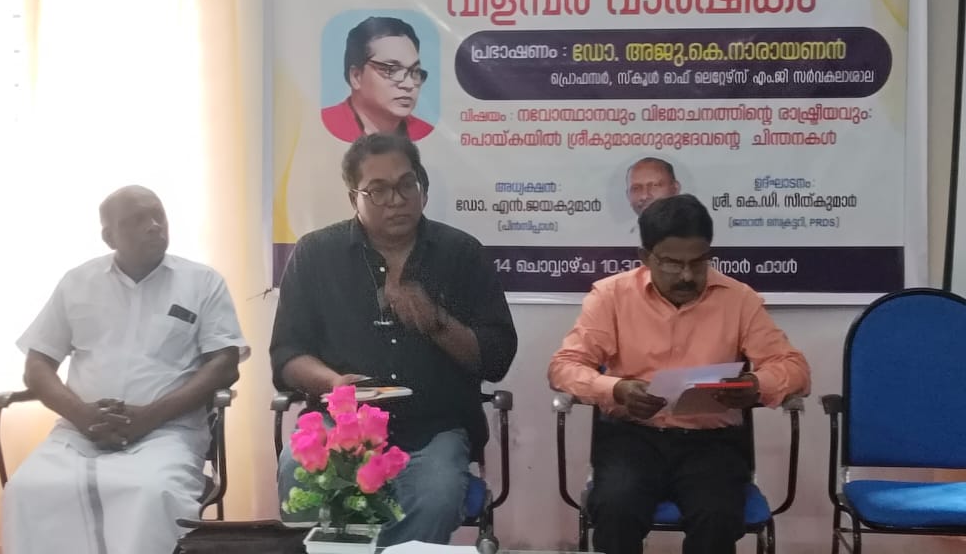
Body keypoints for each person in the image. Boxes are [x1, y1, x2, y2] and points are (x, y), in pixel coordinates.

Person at [271, 133, 517, 546]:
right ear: (354, 198)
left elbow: (496, 358)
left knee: (437, 494)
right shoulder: (316, 254)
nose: (397, 200)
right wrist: (334, 384)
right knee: (297, 472)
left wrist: (437, 323)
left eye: (407, 185)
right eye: (379, 190)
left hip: (435, 428)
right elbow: (287, 354)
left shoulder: (462, 254)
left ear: (423, 187)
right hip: (342, 425)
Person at [548, 194, 810, 554]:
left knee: (717, 517)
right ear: (645, 257)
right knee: (616, 509)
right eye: (672, 263)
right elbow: (563, 366)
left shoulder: (738, 299)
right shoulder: (611, 296)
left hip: (712, 445)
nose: (687, 275)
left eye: (698, 262)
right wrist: (616, 389)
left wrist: (756, 385)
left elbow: (795, 369)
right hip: (632, 439)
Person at [2, 185, 248, 554]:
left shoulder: (201, 282)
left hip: (167, 432)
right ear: (109, 236)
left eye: (158, 215)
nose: (154, 226)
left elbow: (225, 364)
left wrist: (149, 417)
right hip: (79, 431)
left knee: (150, 493)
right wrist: (83, 416)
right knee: (27, 489)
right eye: (136, 220)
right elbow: (37, 366)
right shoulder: (78, 282)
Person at [321, 16, 434, 143]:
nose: (409, 84)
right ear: (356, 76)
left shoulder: (428, 135)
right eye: (391, 70)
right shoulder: (320, 127)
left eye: (415, 71)